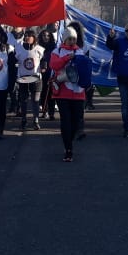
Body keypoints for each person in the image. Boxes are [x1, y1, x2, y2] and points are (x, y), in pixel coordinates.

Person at [49, 25, 86, 161]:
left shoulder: (80, 51)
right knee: (66, 121)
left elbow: (85, 68)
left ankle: (69, 140)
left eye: (74, 39)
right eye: (69, 38)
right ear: (64, 39)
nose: (71, 41)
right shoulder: (57, 51)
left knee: (76, 122)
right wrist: (66, 58)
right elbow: (53, 65)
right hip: (62, 92)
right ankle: (68, 149)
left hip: (78, 92)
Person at [14, 29, 44, 131]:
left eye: (30, 36)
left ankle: (36, 120)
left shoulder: (39, 49)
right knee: (24, 101)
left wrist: (44, 66)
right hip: (23, 79)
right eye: (26, 35)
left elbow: (44, 61)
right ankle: (24, 119)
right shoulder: (19, 48)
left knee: (35, 101)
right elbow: (14, 59)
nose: (27, 37)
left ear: (34, 37)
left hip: (36, 79)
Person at [37, 27, 57, 120]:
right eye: (44, 35)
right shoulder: (38, 46)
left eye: (48, 35)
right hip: (41, 73)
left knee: (51, 93)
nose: (46, 37)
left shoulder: (54, 47)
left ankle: (51, 112)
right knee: (43, 92)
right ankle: (44, 111)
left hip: (51, 72)